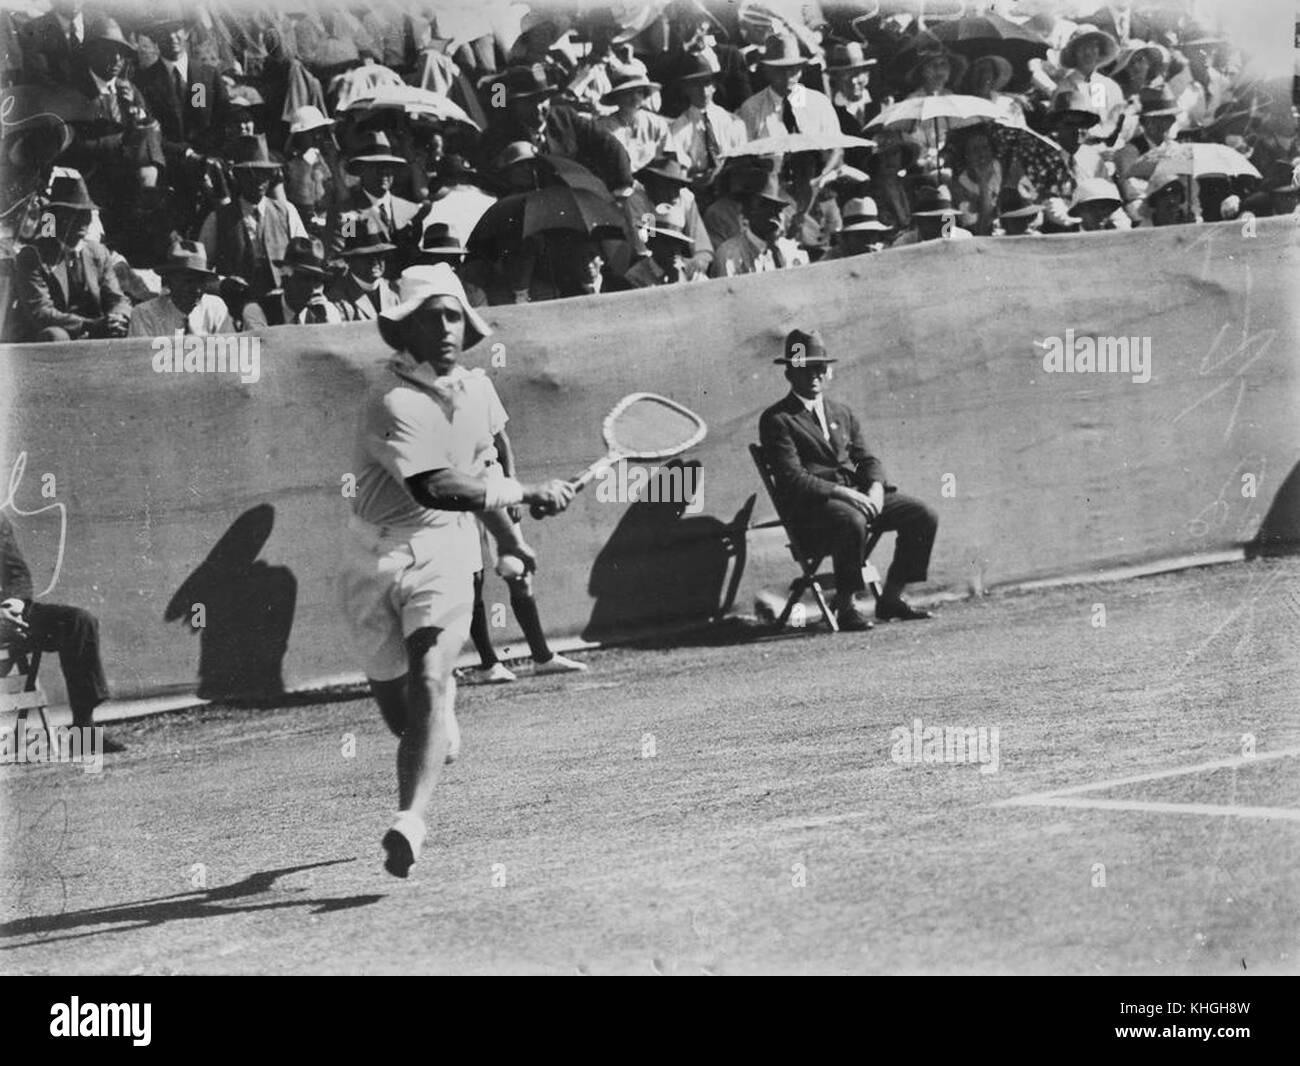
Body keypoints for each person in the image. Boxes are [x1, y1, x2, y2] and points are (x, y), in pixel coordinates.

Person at [340, 263, 574, 877]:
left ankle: (409, 822)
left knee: (429, 677)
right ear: (405, 328)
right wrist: (524, 492)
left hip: (445, 552)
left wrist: (511, 543)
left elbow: (481, 477)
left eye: (454, 315)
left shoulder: (478, 391)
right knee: (402, 710)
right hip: (374, 556)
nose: (445, 327)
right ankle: (436, 725)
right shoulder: (388, 399)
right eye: (431, 316)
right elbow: (437, 485)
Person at [758, 330, 938, 631]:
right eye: (805, 368)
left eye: (819, 368)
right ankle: (846, 607)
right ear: (789, 373)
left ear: (828, 371)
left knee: (922, 515)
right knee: (852, 519)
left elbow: (866, 460)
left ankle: (891, 598)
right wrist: (845, 494)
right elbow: (793, 479)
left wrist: (877, 489)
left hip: (857, 499)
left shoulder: (841, 413)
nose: (814, 375)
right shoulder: (778, 419)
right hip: (813, 511)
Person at [1, 514, 121, 752]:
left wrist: (12, 603)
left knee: (78, 622)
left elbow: (18, 574)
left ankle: (84, 732)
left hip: (6, 616)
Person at [11, 173, 131, 343]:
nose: (82, 221)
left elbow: (116, 297)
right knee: (56, 336)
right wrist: (91, 325)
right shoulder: (33, 256)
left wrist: (118, 317)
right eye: (72, 214)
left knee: (124, 328)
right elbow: (41, 312)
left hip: (95, 329)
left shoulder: (98, 252)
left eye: (86, 214)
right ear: (55, 217)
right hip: (51, 334)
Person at [198, 135, 308, 305]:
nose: (259, 180)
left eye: (266, 173)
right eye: (251, 173)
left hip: (281, 306)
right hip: (236, 307)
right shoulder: (217, 219)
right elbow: (200, 275)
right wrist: (222, 285)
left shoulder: (287, 212)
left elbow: (305, 261)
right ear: (237, 175)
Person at [737, 33, 839, 142]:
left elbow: (837, 148)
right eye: (779, 70)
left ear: (801, 70)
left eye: (792, 69)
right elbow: (745, 152)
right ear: (768, 71)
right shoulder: (752, 108)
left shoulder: (819, 103)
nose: (787, 76)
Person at [667, 50, 748, 185]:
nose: (703, 91)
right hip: (695, 188)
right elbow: (679, 169)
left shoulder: (733, 122)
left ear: (715, 86)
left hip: (729, 187)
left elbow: (742, 161)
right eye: (695, 84)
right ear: (686, 88)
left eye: (706, 83)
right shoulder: (678, 128)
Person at [128, 240, 233, 336]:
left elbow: (230, 352)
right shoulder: (145, 314)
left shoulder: (216, 307)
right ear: (169, 281)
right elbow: (142, 355)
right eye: (188, 282)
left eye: (201, 282)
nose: (197, 289)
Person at [710, 178, 807, 276]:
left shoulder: (790, 250)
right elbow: (728, 290)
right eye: (765, 207)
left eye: (777, 209)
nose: (774, 215)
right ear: (748, 215)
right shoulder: (730, 255)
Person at [240, 236, 343, 327]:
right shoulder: (258, 311)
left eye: (317, 281)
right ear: (285, 279)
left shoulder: (329, 313)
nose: (312, 288)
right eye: (305, 279)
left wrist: (324, 324)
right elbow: (265, 347)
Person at [595, 58, 673, 175]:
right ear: (616, 96)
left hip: (653, 181)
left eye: (639, 92)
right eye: (628, 93)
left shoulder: (656, 124)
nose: (635, 98)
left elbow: (668, 158)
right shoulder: (604, 128)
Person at [327, 218, 399, 321]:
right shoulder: (338, 298)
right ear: (349, 260)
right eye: (366, 256)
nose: (375, 261)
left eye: (379, 254)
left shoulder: (395, 290)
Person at [624, 203, 706, 287]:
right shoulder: (636, 277)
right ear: (650, 243)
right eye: (666, 242)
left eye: (677, 243)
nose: (674, 250)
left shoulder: (692, 272)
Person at [16, 0, 85, 87]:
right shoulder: (34, 28)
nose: (76, 3)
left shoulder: (75, 29)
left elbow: (81, 71)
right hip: (47, 94)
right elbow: (39, 76)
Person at [889, 184, 973, 246]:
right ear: (920, 222)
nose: (944, 225)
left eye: (948, 218)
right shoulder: (904, 245)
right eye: (935, 220)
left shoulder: (964, 238)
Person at [822, 196, 892, 258]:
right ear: (846, 238)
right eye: (861, 235)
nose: (869, 240)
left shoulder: (887, 252)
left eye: (872, 233)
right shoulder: (833, 257)